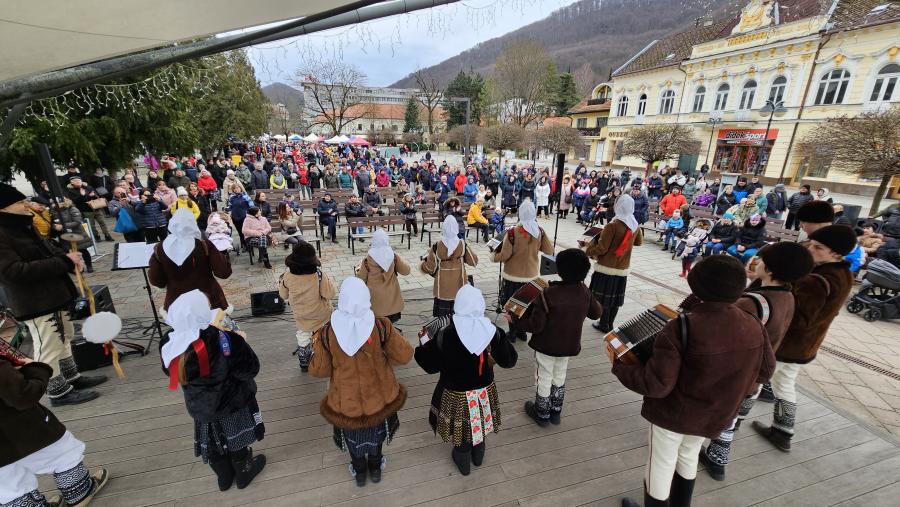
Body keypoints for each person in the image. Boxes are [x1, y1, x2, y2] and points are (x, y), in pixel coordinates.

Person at [614, 255, 775, 507]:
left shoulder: (683, 326)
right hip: (717, 413)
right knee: (688, 455)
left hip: (674, 414)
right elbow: (765, 372)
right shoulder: (753, 323)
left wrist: (619, 366)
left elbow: (657, 384)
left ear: (696, 287)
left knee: (662, 461)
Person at [700, 242, 814, 481]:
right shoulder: (789, 297)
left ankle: (713, 459)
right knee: (732, 418)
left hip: (733, 375)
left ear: (770, 271)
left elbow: (722, 337)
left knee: (723, 416)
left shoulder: (752, 303)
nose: (756, 263)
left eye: (761, 261)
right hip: (756, 374)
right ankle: (717, 458)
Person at [0, 184, 107, 406]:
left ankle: (71, 377)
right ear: (4, 209)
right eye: (20, 203)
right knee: (47, 344)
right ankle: (57, 391)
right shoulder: (3, 234)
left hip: (54, 294)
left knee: (64, 337)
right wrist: (63, 262)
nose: (27, 205)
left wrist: (69, 258)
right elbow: (14, 271)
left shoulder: (23, 225)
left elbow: (47, 249)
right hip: (34, 301)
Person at [752, 225, 856, 452]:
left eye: (818, 248)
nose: (811, 250)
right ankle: (783, 432)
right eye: (811, 244)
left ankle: (722, 441)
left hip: (785, 345)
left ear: (836, 254)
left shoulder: (818, 280)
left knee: (753, 384)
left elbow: (797, 318)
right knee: (784, 384)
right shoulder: (844, 274)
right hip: (804, 348)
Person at [309, 277, 414, 487]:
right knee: (376, 437)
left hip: (346, 402)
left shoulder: (328, 331)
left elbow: (319, 370)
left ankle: (359, 472)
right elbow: (404, 355)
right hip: (380, 398)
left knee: (353, 439)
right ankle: (375, 468)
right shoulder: (381, 324)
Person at [159, 290, 266, 492]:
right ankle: (243, 471)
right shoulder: (223, 339)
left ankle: (223, 477)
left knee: (213, 441)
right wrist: (240, 340)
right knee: (236, 439)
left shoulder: (169, 343)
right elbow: (250, 369)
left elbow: (171, 372)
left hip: (201, 408)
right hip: (231, 403)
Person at [414, 285, 518, 475]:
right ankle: (478, 451)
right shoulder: (492, 331)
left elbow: (430, 366)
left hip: (455, 393)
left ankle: (462, 455)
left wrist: (423, 346)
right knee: (479, 418)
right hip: (483, 390)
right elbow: (509, 361)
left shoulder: (445, 334)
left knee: (461, 424)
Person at [0, 348, 109, 507]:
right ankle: (79, 491)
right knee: (62, 453)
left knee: (7, 482)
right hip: (23, 428)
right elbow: (23, 395)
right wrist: (37, 369)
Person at [509, 249, 601, 426]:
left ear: (559, 270)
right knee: (560, 375)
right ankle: (556, 411)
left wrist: (514, 320)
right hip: (569, 345)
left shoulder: (548, 293)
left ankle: (541, 413)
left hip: (546, 345)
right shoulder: (584, 291)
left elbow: (536, 326)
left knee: (543, 376)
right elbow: (596, 313)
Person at [492, 201, 554, 341]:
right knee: (526, 305)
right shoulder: (540, 231)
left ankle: (512, 333)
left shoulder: (512, 232)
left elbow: (505, 255)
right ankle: (522, 332)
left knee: (511, 305)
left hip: (512, 276)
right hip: (531, 276)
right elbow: (549, 251)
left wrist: (493, 256)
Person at [149, 209, 232, 311]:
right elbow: (223, 272)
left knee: (184, 326)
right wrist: (224, 256)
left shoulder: (160, 248)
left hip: (176, 301)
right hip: (209, 298)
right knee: (212, 326)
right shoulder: (203, 245)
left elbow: (156, 280)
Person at [586, 194, 643, 332]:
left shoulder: (613, 225)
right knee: (615, 298)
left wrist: (587, 250)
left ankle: (603, 324)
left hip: (606, 267)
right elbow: (639, 242)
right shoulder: (634, 224)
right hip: (622, 268)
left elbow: (602, 248)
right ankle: (610, 324)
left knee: (604, 298)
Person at [279, 241, 336, 372]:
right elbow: (330, 294)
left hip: (301, 314)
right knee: (327, 329)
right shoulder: (318, 275)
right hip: (320, 314)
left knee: (303, 334)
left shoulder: (287, 276)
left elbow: (283, 295)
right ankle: (328, 354)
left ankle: (304, 362)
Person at [421, 217, 479, 316]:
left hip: (443, 287)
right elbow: (474, 261)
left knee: (443, 315)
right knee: (459, 313)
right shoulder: (462, 244)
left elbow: (430, 268)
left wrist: (422, 264)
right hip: (459, 285)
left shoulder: (436, 246)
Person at [356, 230, 411, 323]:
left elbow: (360, 280)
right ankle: (390, 333)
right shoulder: (393, 256)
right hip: (392, 301)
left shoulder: (367, 260)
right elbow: (406, 271)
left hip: (376, 303)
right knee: (390, 324)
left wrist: (358, 270)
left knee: (378, 326)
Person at [65, 175, 113, 242]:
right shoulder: (70, 191)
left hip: (96, 207)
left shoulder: (88, 187)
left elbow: (97, 196)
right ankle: (97, 236)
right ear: (72, 183)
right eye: (75, 181)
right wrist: (83, 195)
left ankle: (107, 235)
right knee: (91, 225)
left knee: (102, 222)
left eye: (79, 180)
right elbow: (76, 201)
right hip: (86, 210)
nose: (78, 182)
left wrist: (94, 195)